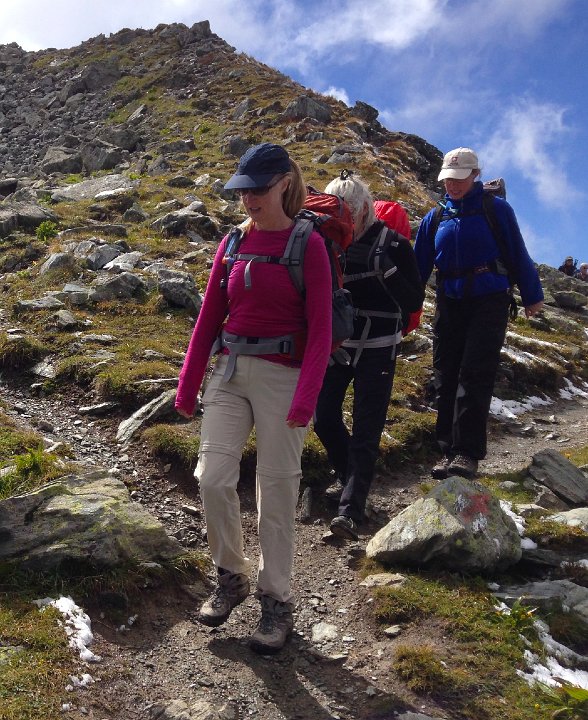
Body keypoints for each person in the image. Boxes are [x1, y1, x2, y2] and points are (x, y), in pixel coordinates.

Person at [175, 143, 332, 653]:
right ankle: (231, 576)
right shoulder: (233, 242)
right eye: (243, 190)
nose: (248, 199)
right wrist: (188, 383)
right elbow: (208, 317)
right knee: (212, 477)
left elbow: (322, 330)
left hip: (285, 378)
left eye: (258, 189)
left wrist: (306, 398)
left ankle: (276, 599)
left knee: (277, 493)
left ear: (284, 183)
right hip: (229, 372)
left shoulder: (310, 245)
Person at [414, 147, 544, 481]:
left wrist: (532, 296)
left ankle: (466, 453)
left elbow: (517, 251)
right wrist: (406, 304)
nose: (452, 185)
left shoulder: (495, 208)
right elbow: (418, 266)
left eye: (459, 178)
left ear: (475, 175)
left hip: (489, 298)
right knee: (445, 373)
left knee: (474, 372)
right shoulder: (436, 216)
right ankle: (447, 449)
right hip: (449, 299)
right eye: (448, 179)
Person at [313, 173, 424, 540]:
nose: (341, 218)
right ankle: (350, 480)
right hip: (340, 345)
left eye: (346, 210)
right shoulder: (326, 242)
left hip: (379, 347)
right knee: (323, 417)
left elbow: (414, 301)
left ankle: (350, 511)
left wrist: (385, 270)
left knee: (366, 428)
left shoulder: (394, 244)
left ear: (363, 209)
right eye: (333, 210)